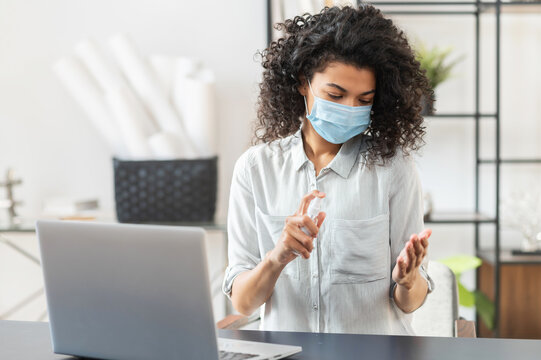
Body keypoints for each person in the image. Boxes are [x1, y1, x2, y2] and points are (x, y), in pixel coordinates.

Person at [222, 4, 435, 335]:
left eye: (364, 100)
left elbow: (410, 301)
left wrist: (408, 281)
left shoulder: (393, 168)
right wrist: (278, 256)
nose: (350, 109)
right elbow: (244, 303)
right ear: (302, 84)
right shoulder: (255, 169)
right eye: (335, 95)